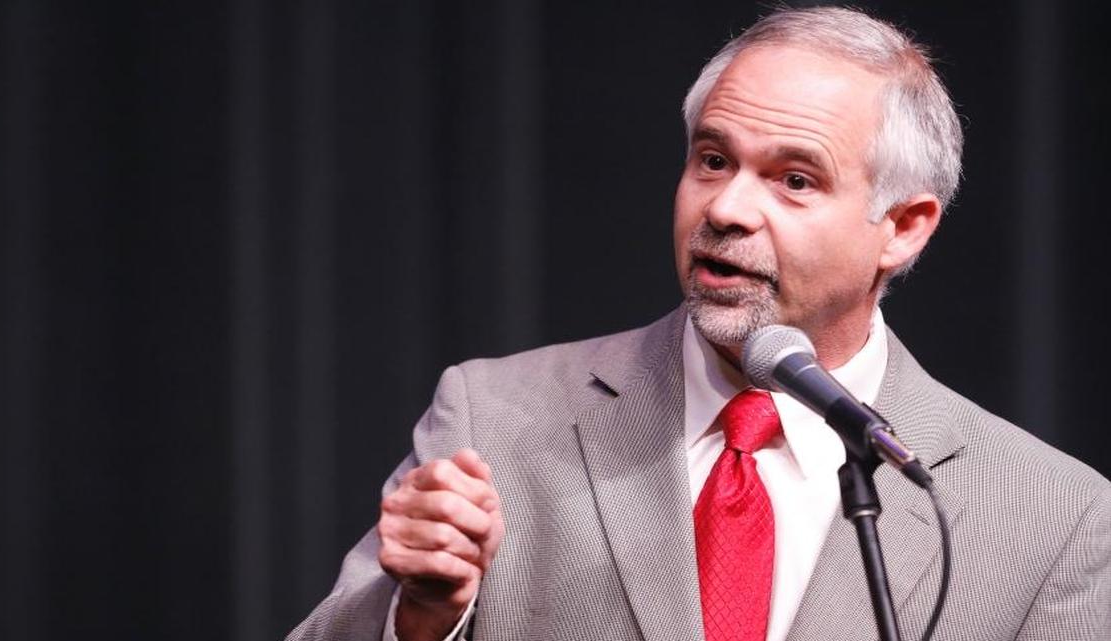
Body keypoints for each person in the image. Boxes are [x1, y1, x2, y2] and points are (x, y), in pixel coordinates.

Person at [288, 7, 1111, 641]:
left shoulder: (1052, 517)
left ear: (903, 226)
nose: (725, 207)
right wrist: (421, 617)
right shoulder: (496, 419)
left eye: (794, 179)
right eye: (713, 160)